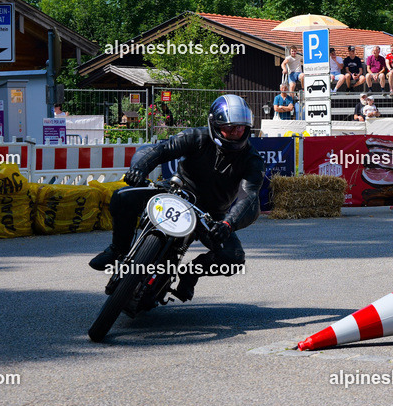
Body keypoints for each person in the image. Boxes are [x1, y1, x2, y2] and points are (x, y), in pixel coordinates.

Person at [89, 95, 264, 303]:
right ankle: (118, 249)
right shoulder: (196, 137)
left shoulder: (252, 159)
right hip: (175, 192)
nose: (236, 132)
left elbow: (249, 197)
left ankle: (191, 273)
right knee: (121, 197)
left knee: (233, 258)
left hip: (211, 214)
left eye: (240, 127)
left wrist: (228, 223)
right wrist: (139, 168)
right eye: (230, 126)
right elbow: (159, 150)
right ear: (215, 124)